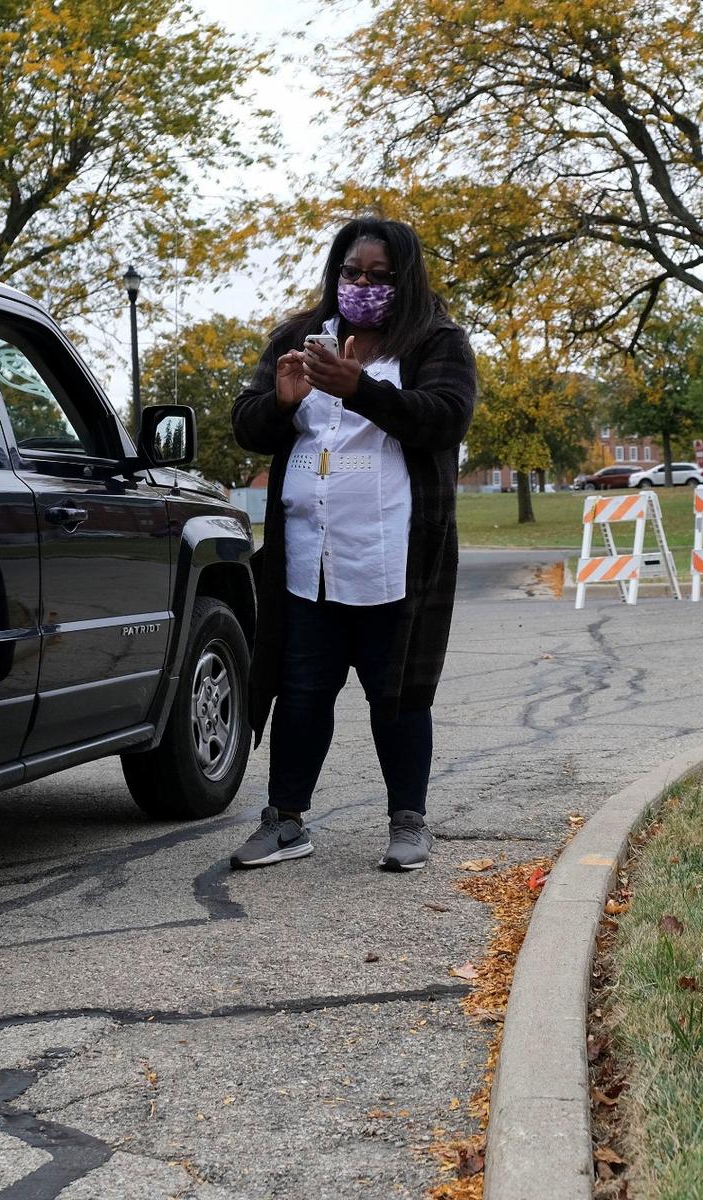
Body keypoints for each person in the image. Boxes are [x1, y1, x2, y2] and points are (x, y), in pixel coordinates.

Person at [228, 217, 477, 872]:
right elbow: (248, 425)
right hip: (311, 556)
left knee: (396, 693)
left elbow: (444, 417)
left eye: (378, 276)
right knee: (301, 687)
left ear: (405, 281)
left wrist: (358, 389)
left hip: (394, 554)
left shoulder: (435, 340)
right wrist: (281, 403)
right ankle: (285, 821)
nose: (361, 284)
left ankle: (408, 820)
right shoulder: (300, 337)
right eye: (351, 272)